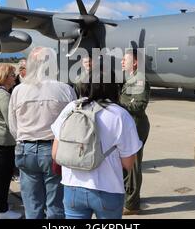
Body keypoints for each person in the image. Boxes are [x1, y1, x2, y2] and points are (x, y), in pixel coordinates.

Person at [51, 69, 142, 219]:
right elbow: (128, 163)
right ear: (114, 87)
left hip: (72, 187)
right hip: (108, 189)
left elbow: (55, 153)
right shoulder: (120, 115)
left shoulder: (71, 108)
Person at [9, 47, 76, 219]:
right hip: (54, 150)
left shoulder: (18, 90)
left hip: (26, 149)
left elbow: (13, 125)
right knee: (56, 204)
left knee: (32, 204)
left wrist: (24, 138)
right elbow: (73, 123)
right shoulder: (65, 89)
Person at [0, 64, 22, 219]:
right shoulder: (4, 96)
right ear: (5, 77)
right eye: (13, 75)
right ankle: (2, 210)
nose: (15, 77)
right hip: (2, 142)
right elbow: (12, 122)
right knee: (4, 176)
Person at [119, 49, 151, 215]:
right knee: (126, 164)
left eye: (125, 60)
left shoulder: (139, 81)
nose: (122, 62)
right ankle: (130, 195)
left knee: (133, 166)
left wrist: (118, 105)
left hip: (136, 127)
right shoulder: (130, 79)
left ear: (136, 62)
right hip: (129, 127)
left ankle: (132, 205)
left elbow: (139, 105)